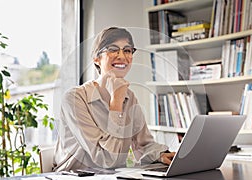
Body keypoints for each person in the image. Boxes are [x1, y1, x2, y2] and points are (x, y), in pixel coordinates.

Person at [53, 27, 175, 172]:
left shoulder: (129, 97)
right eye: (113, 49)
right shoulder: (74, 99)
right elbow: (107, 159)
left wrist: (161, 155)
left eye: (128, 50)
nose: (122, 56)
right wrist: (116, 102)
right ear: (96, 59)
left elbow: (144, 144)